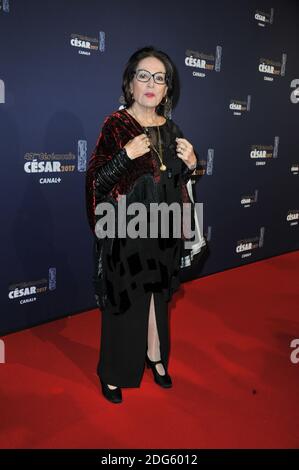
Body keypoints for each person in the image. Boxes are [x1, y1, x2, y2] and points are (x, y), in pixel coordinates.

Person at [86, 45, 206, 404]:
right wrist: (125, 156)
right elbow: (97, 183)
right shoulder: (116, 124)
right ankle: (114, 371)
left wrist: (192, 164)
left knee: (158, 299)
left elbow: (174, 181)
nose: (151, 83)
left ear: (167, 89)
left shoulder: (172, 128)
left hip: (163, 229)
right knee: (124, 301)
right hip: (125, 231)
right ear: (130, 83)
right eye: (143, 75)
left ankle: (155, 357)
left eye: (160, 78)